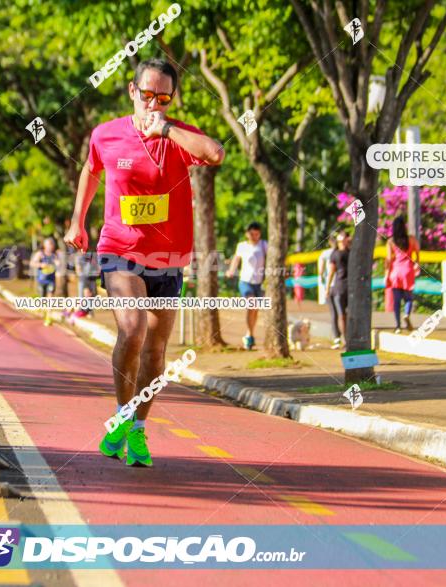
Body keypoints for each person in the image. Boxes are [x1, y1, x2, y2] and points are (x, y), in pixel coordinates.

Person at [63, 58, 224, 467]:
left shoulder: (177, 135)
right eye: (147, 94)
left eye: (163, 98)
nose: (154, 104)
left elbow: (216, 154)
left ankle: (135, 428)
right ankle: (121, 411)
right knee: (132, 329)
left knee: (155, 351)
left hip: (168, 257)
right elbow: (91, 170)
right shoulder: (106, 134)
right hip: (119, 248)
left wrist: (166, 129)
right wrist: (77, 222)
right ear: (132, 91)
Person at [225, 222, 267, 350]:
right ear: (247, 234)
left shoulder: (264, 245)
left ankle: (250, 334)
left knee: (255, 310)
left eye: (257, 234)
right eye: (252, 234)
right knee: (252, 305)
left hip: (259, 283)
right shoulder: (242, 246)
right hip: (245, 281)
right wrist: (231, 270)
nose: (254, 236)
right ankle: (249, 335)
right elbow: (236, 260)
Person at [385, 216, 420, 333]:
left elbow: (389, 260)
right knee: (409, 298)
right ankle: (406, 314)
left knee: (396, 300)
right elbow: (417, 255)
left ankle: (398, 326)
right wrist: (416, 265)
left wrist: (386, 275)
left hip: (395, 272)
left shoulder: (390, 241)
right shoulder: (412, 239)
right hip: (408, 270)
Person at [325, 230, 350, 350]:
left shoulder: (352, 252)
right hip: (339, 287)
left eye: (346, 240)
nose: (344, 242)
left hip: (350, 287)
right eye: (341, 240)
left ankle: (347, 338)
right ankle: (344, 339)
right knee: (341, 315)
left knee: (347, 315)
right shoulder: (335, 254)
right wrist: (327, 287)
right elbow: (331, 272)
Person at [317, 234, 339, 344]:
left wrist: (323, 283)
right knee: (341, 312)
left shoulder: (325, 254)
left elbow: (320, 271)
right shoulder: (342, 252)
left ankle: (337, 336)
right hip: (338, 284)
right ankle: (338, 335)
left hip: (330, 285)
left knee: (334, 313)